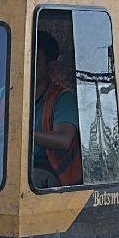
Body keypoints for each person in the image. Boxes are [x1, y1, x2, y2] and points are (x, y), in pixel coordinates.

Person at [31, 31, 82, 188]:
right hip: (9, 167)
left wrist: (22, 135)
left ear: (49, 66)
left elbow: (64, 140)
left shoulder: (63, 98)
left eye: (36, 60)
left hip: (52, 175)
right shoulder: (4, 96)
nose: (29, 65)